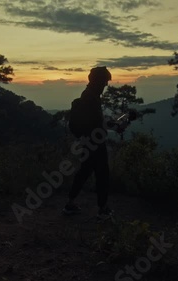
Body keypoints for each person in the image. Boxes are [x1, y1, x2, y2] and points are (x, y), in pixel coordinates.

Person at [63, 66, 117, 219]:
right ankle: (103, 209)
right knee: (102, 174)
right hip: (95, 143)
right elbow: (95, 124)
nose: (106, 85)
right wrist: (108, 126)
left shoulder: (89, 95)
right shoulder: (91, 98)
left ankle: (70, 204)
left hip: (88, 142)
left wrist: (107, 124)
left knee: (84, 172)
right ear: (98, 81)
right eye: (105, 81)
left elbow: (94, 122)